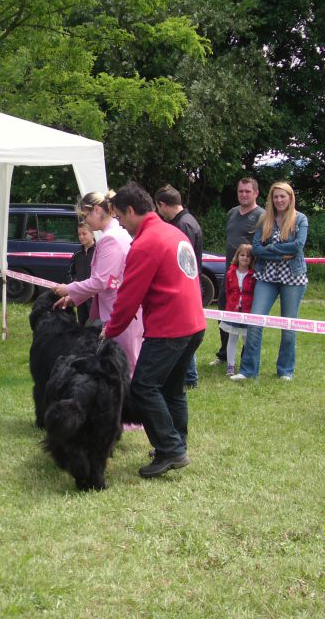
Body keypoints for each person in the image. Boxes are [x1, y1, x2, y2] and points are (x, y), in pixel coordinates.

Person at [102, 182, 206, 479]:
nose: (120, 225)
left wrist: (109, 330)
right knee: (172, 388)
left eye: (120, 218)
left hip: (170, 328)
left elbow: (128, 298)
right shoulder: (173, 232)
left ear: (131, 211)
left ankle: (171, 448)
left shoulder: (146, 244)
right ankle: (174, 446)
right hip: (193, 324)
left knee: (143, 387)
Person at [53, 191, 143, 375]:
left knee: (125, 369)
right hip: (121, 310)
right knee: (124, 367)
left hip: (120, 311)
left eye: (85, 216)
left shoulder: (110, 238)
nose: (85, 220)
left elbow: (101, 281)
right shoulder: (116, 234)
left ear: (96, 210)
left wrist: (68, 288)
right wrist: (74, 297)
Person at [231, 182, 309, 382]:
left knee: (288, 326)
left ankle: (285, 371)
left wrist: (270, 249)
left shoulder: (300, 219)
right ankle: (248, 370)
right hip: (266, 275)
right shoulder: (265, 219)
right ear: (271, 200)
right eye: (276, 197)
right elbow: (256, 248)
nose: (279, 200)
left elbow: (297, 246)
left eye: (283, 196)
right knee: (255, 321)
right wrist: (278, 252)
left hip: (293, 277)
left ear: (290, 198)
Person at [155, 184, 204, 388]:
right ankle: (187, 377)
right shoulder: (187, 220)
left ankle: (190, 378)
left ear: (162, 205)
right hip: (191, 285)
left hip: (185, 286)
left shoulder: (182, 225)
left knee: (184, 336)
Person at [212, 178, 264, 366]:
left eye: (247, 191)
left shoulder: (262, 216)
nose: (243, 194)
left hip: (250, 277)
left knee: (246, 318)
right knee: (224, 312)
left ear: (256, 193)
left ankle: (245, 358)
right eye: (240, 191)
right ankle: (224, 354)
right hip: (229, 274)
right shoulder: (232, 213)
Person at [219, 243, 256, 376]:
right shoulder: (230, 273)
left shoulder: (253, 275)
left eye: (248, 256)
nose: (245, 258)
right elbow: (228, 292)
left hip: (247, 311)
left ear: (252, 259)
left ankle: (247, 365)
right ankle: (230, 365)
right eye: (242, 255)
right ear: (237, 256)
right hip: (233, 310)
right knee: (232, 338)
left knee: (247, 339)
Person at [67, 222, 96, 326]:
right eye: (79, 234)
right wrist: (73, 284)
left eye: (84, 234)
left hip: (95, 296)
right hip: (80, 295)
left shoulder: (99, 251)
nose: (81, 237)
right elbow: (70, 272)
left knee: (95, 323)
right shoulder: (77, 254)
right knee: (82, 322)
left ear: (92, 234)